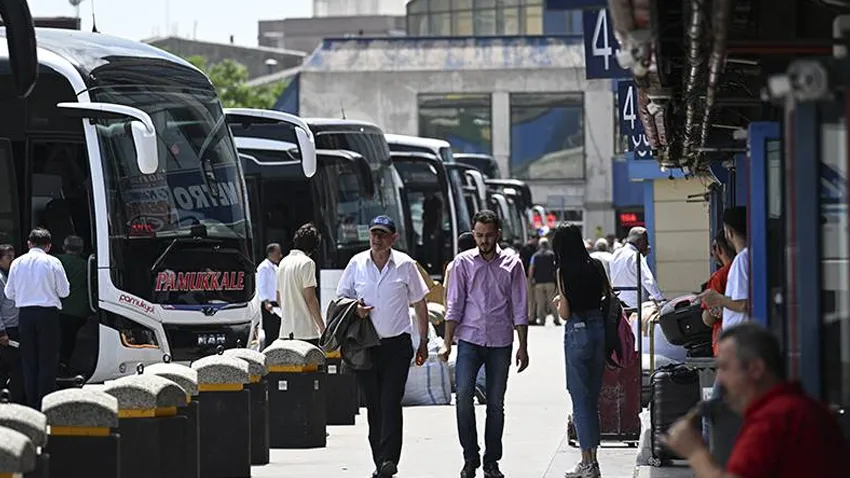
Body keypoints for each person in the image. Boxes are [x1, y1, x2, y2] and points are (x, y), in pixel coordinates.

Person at [662, 323, 850, 477]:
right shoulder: (801, 408)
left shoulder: (773, 420)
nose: (720, 378)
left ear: (756, 369)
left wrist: (695, 453)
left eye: (725, 368)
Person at [336, 215, 430, 478]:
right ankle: (380, 462)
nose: (377, 239)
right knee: (375, 406)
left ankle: (389, 459)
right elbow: (341, 298)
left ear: (393, 238)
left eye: (382, 234)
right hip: (365, 346)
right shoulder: (357, 264)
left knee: (390, 402)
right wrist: (356, 309)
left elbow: (420, 304)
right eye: (373, 234)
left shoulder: (405, 265)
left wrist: (423, 341)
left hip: (397, 347)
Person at [440, 209, 529, 478]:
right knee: (463, 397)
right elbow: (454, 304)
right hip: (469, 340)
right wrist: (446, 343)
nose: (484, 240)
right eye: (479, 235)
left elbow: (520, 307)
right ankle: (470, 457)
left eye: (489, 236)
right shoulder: (462, 263)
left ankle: (492, 461)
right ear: (473, 234)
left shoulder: (512, 264)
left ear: (498, 234)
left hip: (500, 342)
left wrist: (523, 346)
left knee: (495, 403)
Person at [551, 225, 607, 478]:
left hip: (578, 331)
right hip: (599, 330)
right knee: (592, 398)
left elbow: (565, 313)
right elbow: (607, 294)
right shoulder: (595, 265)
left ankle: (587, 463)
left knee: (580, 399)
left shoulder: (564, 271)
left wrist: (559, 302)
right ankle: (592, 459)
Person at [3, 228, 70, 409]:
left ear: (29, 244)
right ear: (48, 246)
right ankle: (44, 402)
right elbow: (64, 291)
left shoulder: (17, 263)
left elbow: (9, 293)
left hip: (25, 315)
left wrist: (25, 294)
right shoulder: (53, 262)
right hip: (48, 314)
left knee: (29, 358)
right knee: (47, 359)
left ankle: (31, 401)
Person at [699, 207, 749, 329]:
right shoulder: (750, 256)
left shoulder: (741, 259)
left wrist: (718, 299)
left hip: (740, 335)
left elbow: (744, 304)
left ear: (729, 232)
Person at [277, 223, 325, 344]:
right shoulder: (307, 263)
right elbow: (311, 299)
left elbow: (278, 298)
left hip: (285, 332)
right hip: (306, 332)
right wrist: (323, 328)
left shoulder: (283, 262)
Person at [56, 235, 89, 375]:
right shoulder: (86, 264)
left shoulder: (57, 261)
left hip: (58, 310)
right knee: (70, 339)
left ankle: (57, 364)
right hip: (79, 312)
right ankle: (65, 362)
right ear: (81, 250)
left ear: (64, 247)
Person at [610, 226, 665, 309]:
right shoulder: (635, 256)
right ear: (639, 242)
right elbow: (647, 280)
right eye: (646, 241)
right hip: (635, 305)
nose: (648, 245)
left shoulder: (616, 254)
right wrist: (661, 299)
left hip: (619, 304)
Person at [701, 231, 736, 356]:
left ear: (719, 249)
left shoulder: (719, 277)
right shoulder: (747, 266)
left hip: (724, 342)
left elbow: (708, 319)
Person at [0, 244, 24, 403]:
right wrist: (2, 332)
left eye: (13, 256)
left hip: (14, 327)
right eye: (9, 257)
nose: (12, 260)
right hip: (7, 330)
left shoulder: (10, 276)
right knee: (12, 367)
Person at [529, 237, 560, 326]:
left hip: (539, 283)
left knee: (540, 302)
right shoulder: (552, 255)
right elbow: (556, 267)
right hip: (550, 282)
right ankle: (556, 319)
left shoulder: (535, 256)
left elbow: (531, 268)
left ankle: (542, 320)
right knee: (552, 302)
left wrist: (531, 280)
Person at [256, 243, 283, 344]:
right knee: (271, 333)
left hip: (277, 305)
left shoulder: (275, 267)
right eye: (278, 253)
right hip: (269, 305)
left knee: (277, 332)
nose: (280, 256)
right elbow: (261, 286)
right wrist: (266, 301)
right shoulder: (264, 267)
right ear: (271, 253)